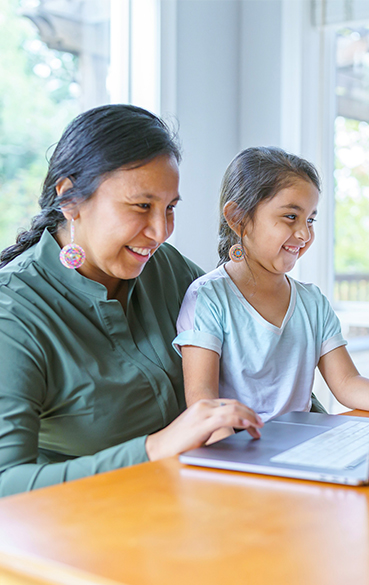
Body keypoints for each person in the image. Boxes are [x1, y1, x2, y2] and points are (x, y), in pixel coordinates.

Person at [0, 105, 264, 497]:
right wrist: (155, 448)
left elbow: (259, 355)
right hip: (84, 535)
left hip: (201, 507)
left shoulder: (168, 269)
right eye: (142, 206)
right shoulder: (15, 313)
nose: (160, 232)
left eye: (170, 207)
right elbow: (7, 482)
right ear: (70, 200)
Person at [173, 146, 369, 444]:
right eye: (291, 216)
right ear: (238, 218)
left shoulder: (313, 303)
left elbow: (346, 383)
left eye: (310, 220)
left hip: (304, 446)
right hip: (238, 452)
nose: (305, 234)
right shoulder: (209, 298)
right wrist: (232, 464)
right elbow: (204, 403)